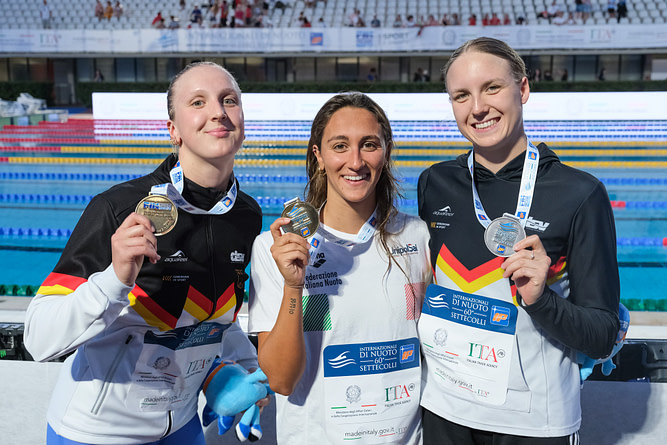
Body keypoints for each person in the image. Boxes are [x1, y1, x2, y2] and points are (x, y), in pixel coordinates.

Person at [24, 62, 264, 445]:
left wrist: (243, 374)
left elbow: (218, 316)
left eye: (229, 100)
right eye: (198, 102)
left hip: (182, 427)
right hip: (98, 432)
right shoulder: (119, 209)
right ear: (174, 131)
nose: (218, 111)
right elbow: (38, 338)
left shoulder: (246, 215)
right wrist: (114, 279)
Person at [417, 36, 620, 445]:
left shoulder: (579, 194)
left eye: (491, 87)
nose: (477, 108)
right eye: (461, 95)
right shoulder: (436, 183)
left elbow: (601, 335)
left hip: (535, 423)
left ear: (523, 89)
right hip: (445, 412)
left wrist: (542, 299)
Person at [248, 92, 431, 444]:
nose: (356, 161)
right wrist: (293, 287)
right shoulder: (279, 249)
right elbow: (281, 380)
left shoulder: (416, 237)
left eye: (369, 145)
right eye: (340, 146)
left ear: (386, 151)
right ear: (319, 156)